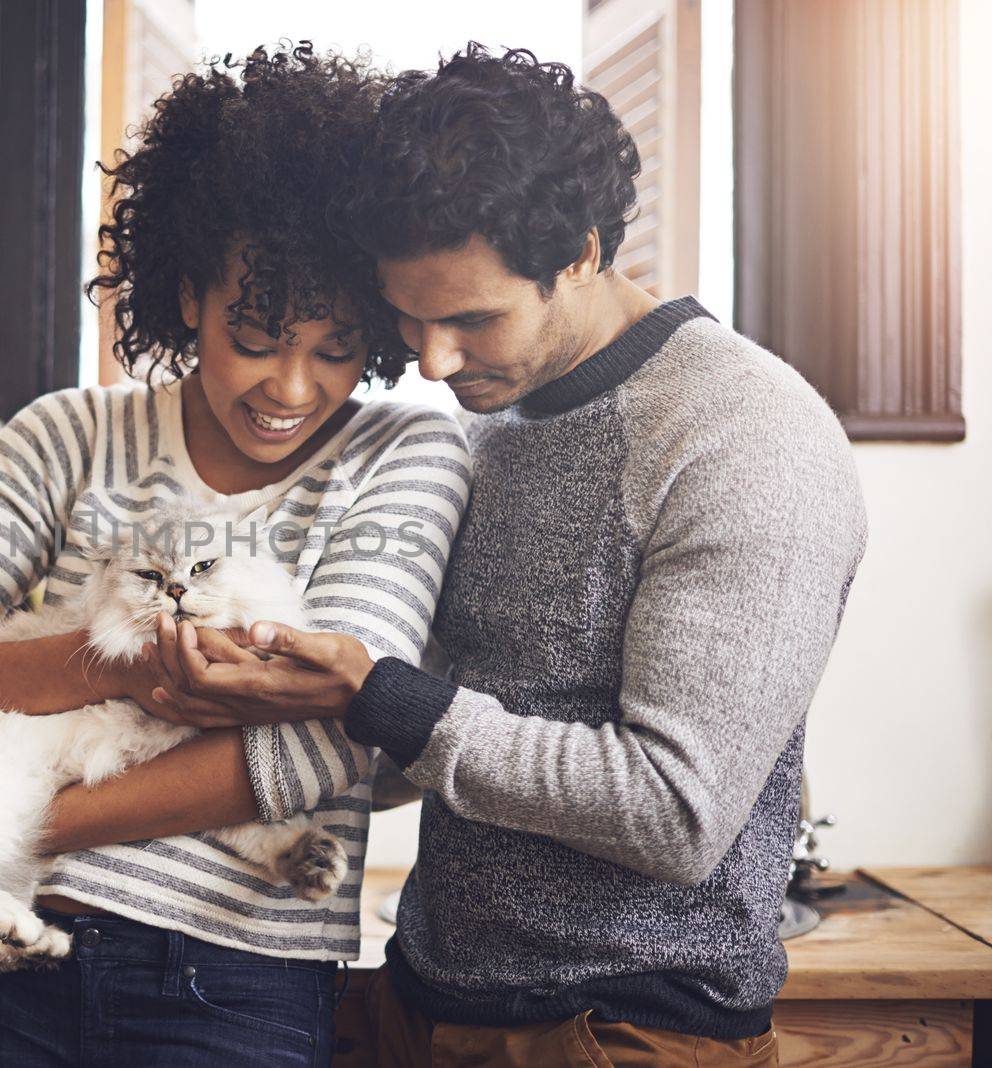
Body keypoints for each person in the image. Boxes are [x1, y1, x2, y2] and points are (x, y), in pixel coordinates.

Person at [146, 44, 867, 1067]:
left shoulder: (744, 436)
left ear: (577, 251)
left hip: (625, 1032)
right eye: (408, 318)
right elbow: (464, 730)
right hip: (423, 1000)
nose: (433, 362)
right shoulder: (484, 423)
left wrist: (378, 697)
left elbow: (675, 812)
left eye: (470, 319)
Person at [0, 46, 470, 1067]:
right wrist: (118, 663)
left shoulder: (404, 454)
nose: (292, 388)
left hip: (237, 979)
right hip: (15, 966)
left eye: (337, 347)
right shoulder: (65, 437)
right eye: (254, 335)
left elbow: (341, 732)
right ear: (185, 296)